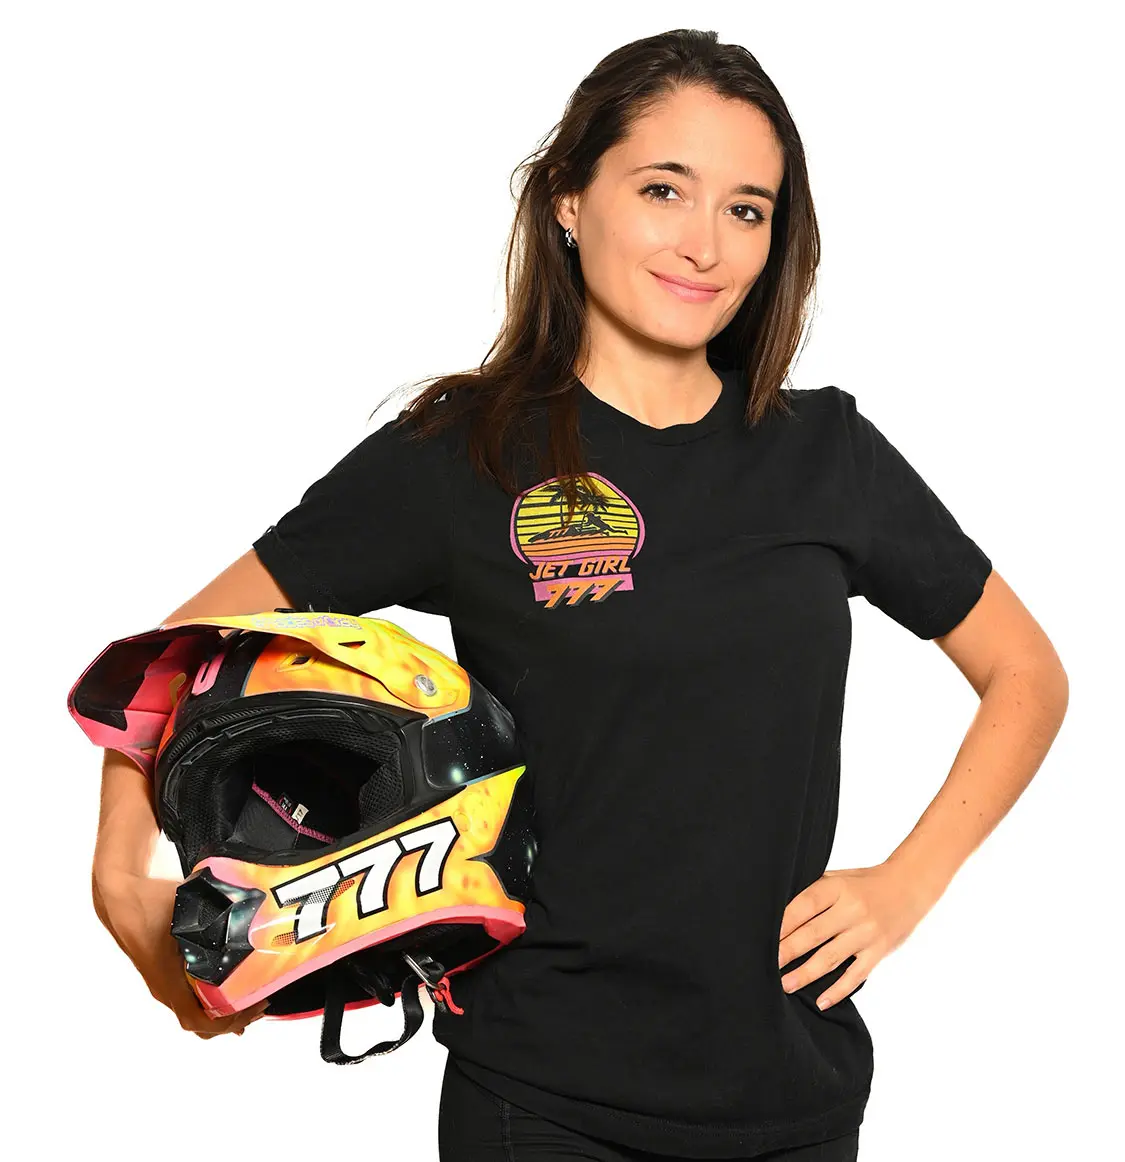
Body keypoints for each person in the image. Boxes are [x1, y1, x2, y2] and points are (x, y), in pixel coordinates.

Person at [87, 28, 1068, 1162]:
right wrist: (120, 880)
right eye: (664, 190)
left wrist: (907, 884)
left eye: (746, 209)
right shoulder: (461, 455)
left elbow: (1026, 674)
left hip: (792, 1091)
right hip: (542, 1095)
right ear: (567, 198)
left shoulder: (826, 454)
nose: (705, 243)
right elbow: (177, 661)